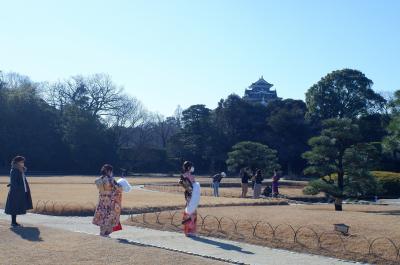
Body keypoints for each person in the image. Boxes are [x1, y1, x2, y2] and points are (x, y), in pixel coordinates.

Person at [93, 164, 122, 237]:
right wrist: (121, 185)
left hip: (102, 199)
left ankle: (102, 232)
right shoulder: (111, 179)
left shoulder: (99, 179)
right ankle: (106, 232)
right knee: (110, 215)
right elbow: (118, 188)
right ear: (109, 171)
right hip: (110, 200)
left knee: (102, 214)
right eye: (111, 171)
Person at [5, 156, 33, 227]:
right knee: (14, 207)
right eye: (22, 162)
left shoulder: (20, 170)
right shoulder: (14, 170)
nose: (23, 163)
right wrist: (18, 189)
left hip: (21, 191)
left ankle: (14, 222)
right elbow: (14, 182)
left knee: (16, 206)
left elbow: (19, 180)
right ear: (17, 162)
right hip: (16, 192)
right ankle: (13, 222)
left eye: (23, 162)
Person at [179, 161, 201, 237]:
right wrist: (191, 190)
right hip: (190, 195)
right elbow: (184, 184)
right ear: (188, 167)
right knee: (190, 211)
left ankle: (191, 230)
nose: (192, 168)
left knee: (192, 211)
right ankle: (188, 230)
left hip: (191, 195)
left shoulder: (187, 176)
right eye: (191, 166)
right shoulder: (185, 176)